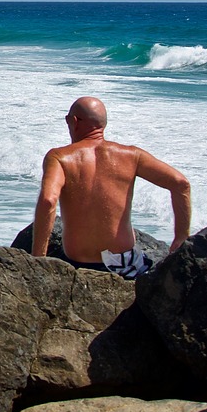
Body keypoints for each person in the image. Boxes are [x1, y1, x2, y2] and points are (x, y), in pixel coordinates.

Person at [32, 96, 191, 278]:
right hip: (125, 266)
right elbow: (181, 184)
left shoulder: (59, 157)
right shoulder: (132, 155)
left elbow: (47, 200)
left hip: (78, 267)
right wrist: (181, 238)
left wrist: (38, 259)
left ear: (74, 121)